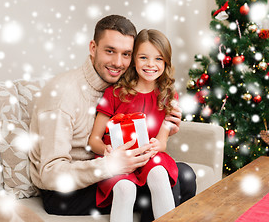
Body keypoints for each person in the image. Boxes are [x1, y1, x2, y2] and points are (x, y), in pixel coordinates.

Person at [28, 15, 196, 221]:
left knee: (182, 174)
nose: (118, 62)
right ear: (92, 48)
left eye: (126, 54)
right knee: (179, 180)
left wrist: (166, 128)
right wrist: (110, 166)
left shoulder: (120, 85)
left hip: (108, 169)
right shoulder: (63, 94)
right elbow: (51, 174)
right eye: (110, 51)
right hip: (67, 191)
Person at [88, 29, 178, 222]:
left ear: (166, 62)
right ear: (134, 60)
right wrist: (108, 151)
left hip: (148, 158)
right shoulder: (114, 93)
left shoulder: (169, 96)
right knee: (125, 188)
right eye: (144, 57)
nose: (151, 64)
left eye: (159, 59)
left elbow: (162, 143)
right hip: (119, 160)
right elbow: (94, 139)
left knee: (159, 173)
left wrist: (156, 146)